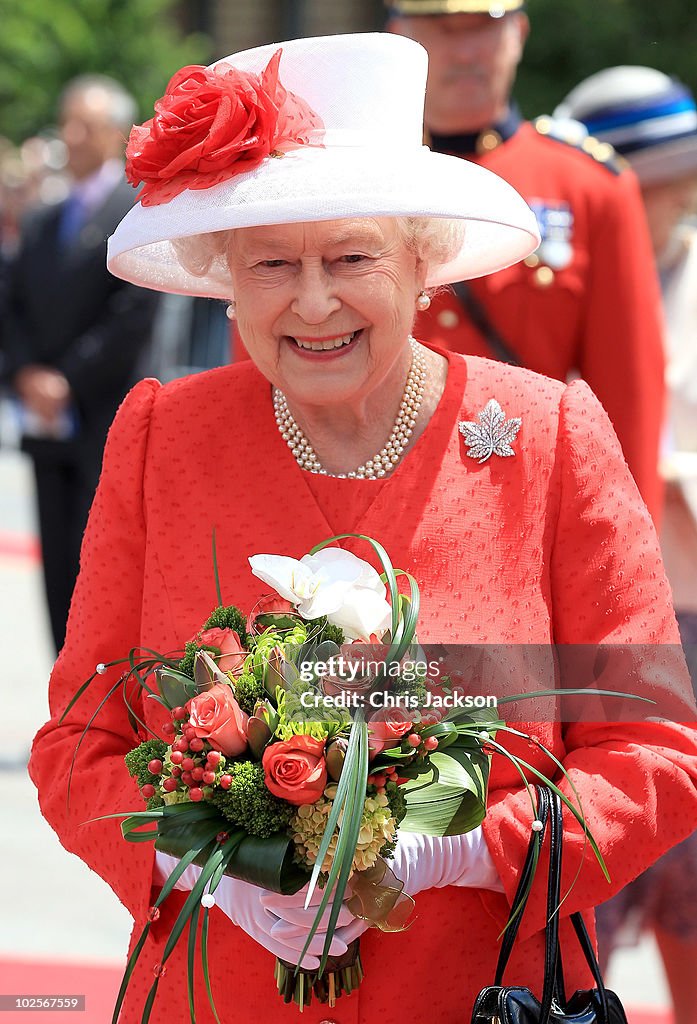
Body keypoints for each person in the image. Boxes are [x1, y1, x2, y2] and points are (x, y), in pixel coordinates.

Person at [28, 34, 697, 1024]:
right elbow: (78, 740)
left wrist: (469, 845)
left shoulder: (549, 439)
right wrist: (201, 861)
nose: (312, 301)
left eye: (351, 256)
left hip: (474, 992)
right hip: (216, 997)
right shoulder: (162, 437)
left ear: (422, 261)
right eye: (271, 264)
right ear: (225, 273)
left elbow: (655, 752)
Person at [385, 0, 666, 524]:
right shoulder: (357, 184)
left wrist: (628, 561)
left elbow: (630, 400)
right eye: (440, 30)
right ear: (398, 35)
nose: (464, 51)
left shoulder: (589, 188)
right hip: (373, 507)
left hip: (527, 513)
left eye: (483, 29)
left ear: (519, 32)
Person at [556, 66, 697, 1024]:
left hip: (686, 619)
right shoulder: (545, 279)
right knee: (574, 878)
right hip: (574, 626)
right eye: (664, 181)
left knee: (690, 889)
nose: (681, 198)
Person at [0, 74, 159, 652]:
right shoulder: (43, 220)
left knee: (105, 563)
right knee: (55, 566)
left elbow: (133, 312)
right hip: (46, 422)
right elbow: (9, 306)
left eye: (84, 124)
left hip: (102, 411)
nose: (70, 135)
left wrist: (67, 378)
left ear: (116, 134)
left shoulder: (134, 212)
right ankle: (62, 705)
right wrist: (25, 374)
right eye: (66, 122)